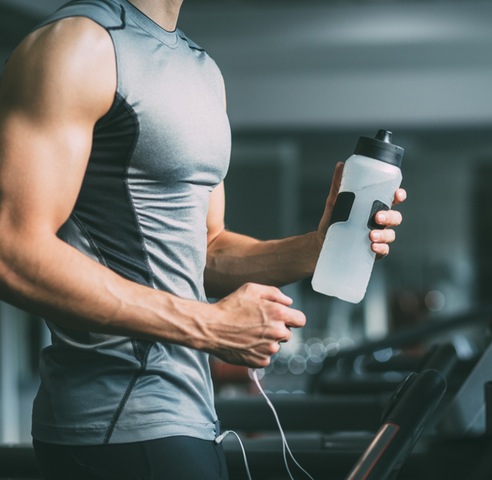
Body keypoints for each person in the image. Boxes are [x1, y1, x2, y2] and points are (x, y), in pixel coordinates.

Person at [0, 0, 406, 478]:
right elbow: (11, 248)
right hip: (117, 423)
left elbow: (206, 250)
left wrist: (315, 249)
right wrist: (208, 325)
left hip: (189, 417)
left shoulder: (202, 69)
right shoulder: (78, 44)